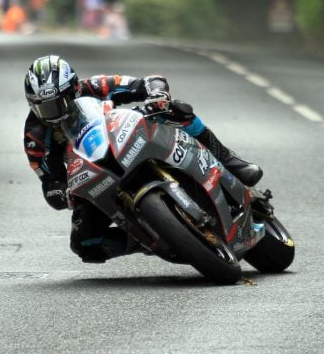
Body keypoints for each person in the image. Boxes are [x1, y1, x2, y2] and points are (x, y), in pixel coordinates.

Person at [23, 55, 263, 263]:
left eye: (58, 103)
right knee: (84, 245)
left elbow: (147, 82)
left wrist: (157, 94)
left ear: (73, 88)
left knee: (177, 110)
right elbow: (49, 181)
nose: (53, 113)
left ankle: (228, 159)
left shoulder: (93, 86)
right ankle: (148, 238)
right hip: (94, 174)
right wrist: (60, 192)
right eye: (45, 108)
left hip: (126, 136)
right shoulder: (34, 136)